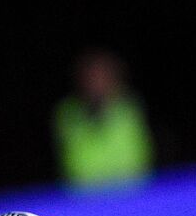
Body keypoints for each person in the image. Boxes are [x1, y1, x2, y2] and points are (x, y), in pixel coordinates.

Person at [53, 49, 155, 189]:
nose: (96, 83)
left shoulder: (128, 107)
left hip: (131, 192)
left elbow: (135, 159)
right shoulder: (67, 113)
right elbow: (77, 165)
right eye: (91, 77)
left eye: (101, 76)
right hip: (85, 196)